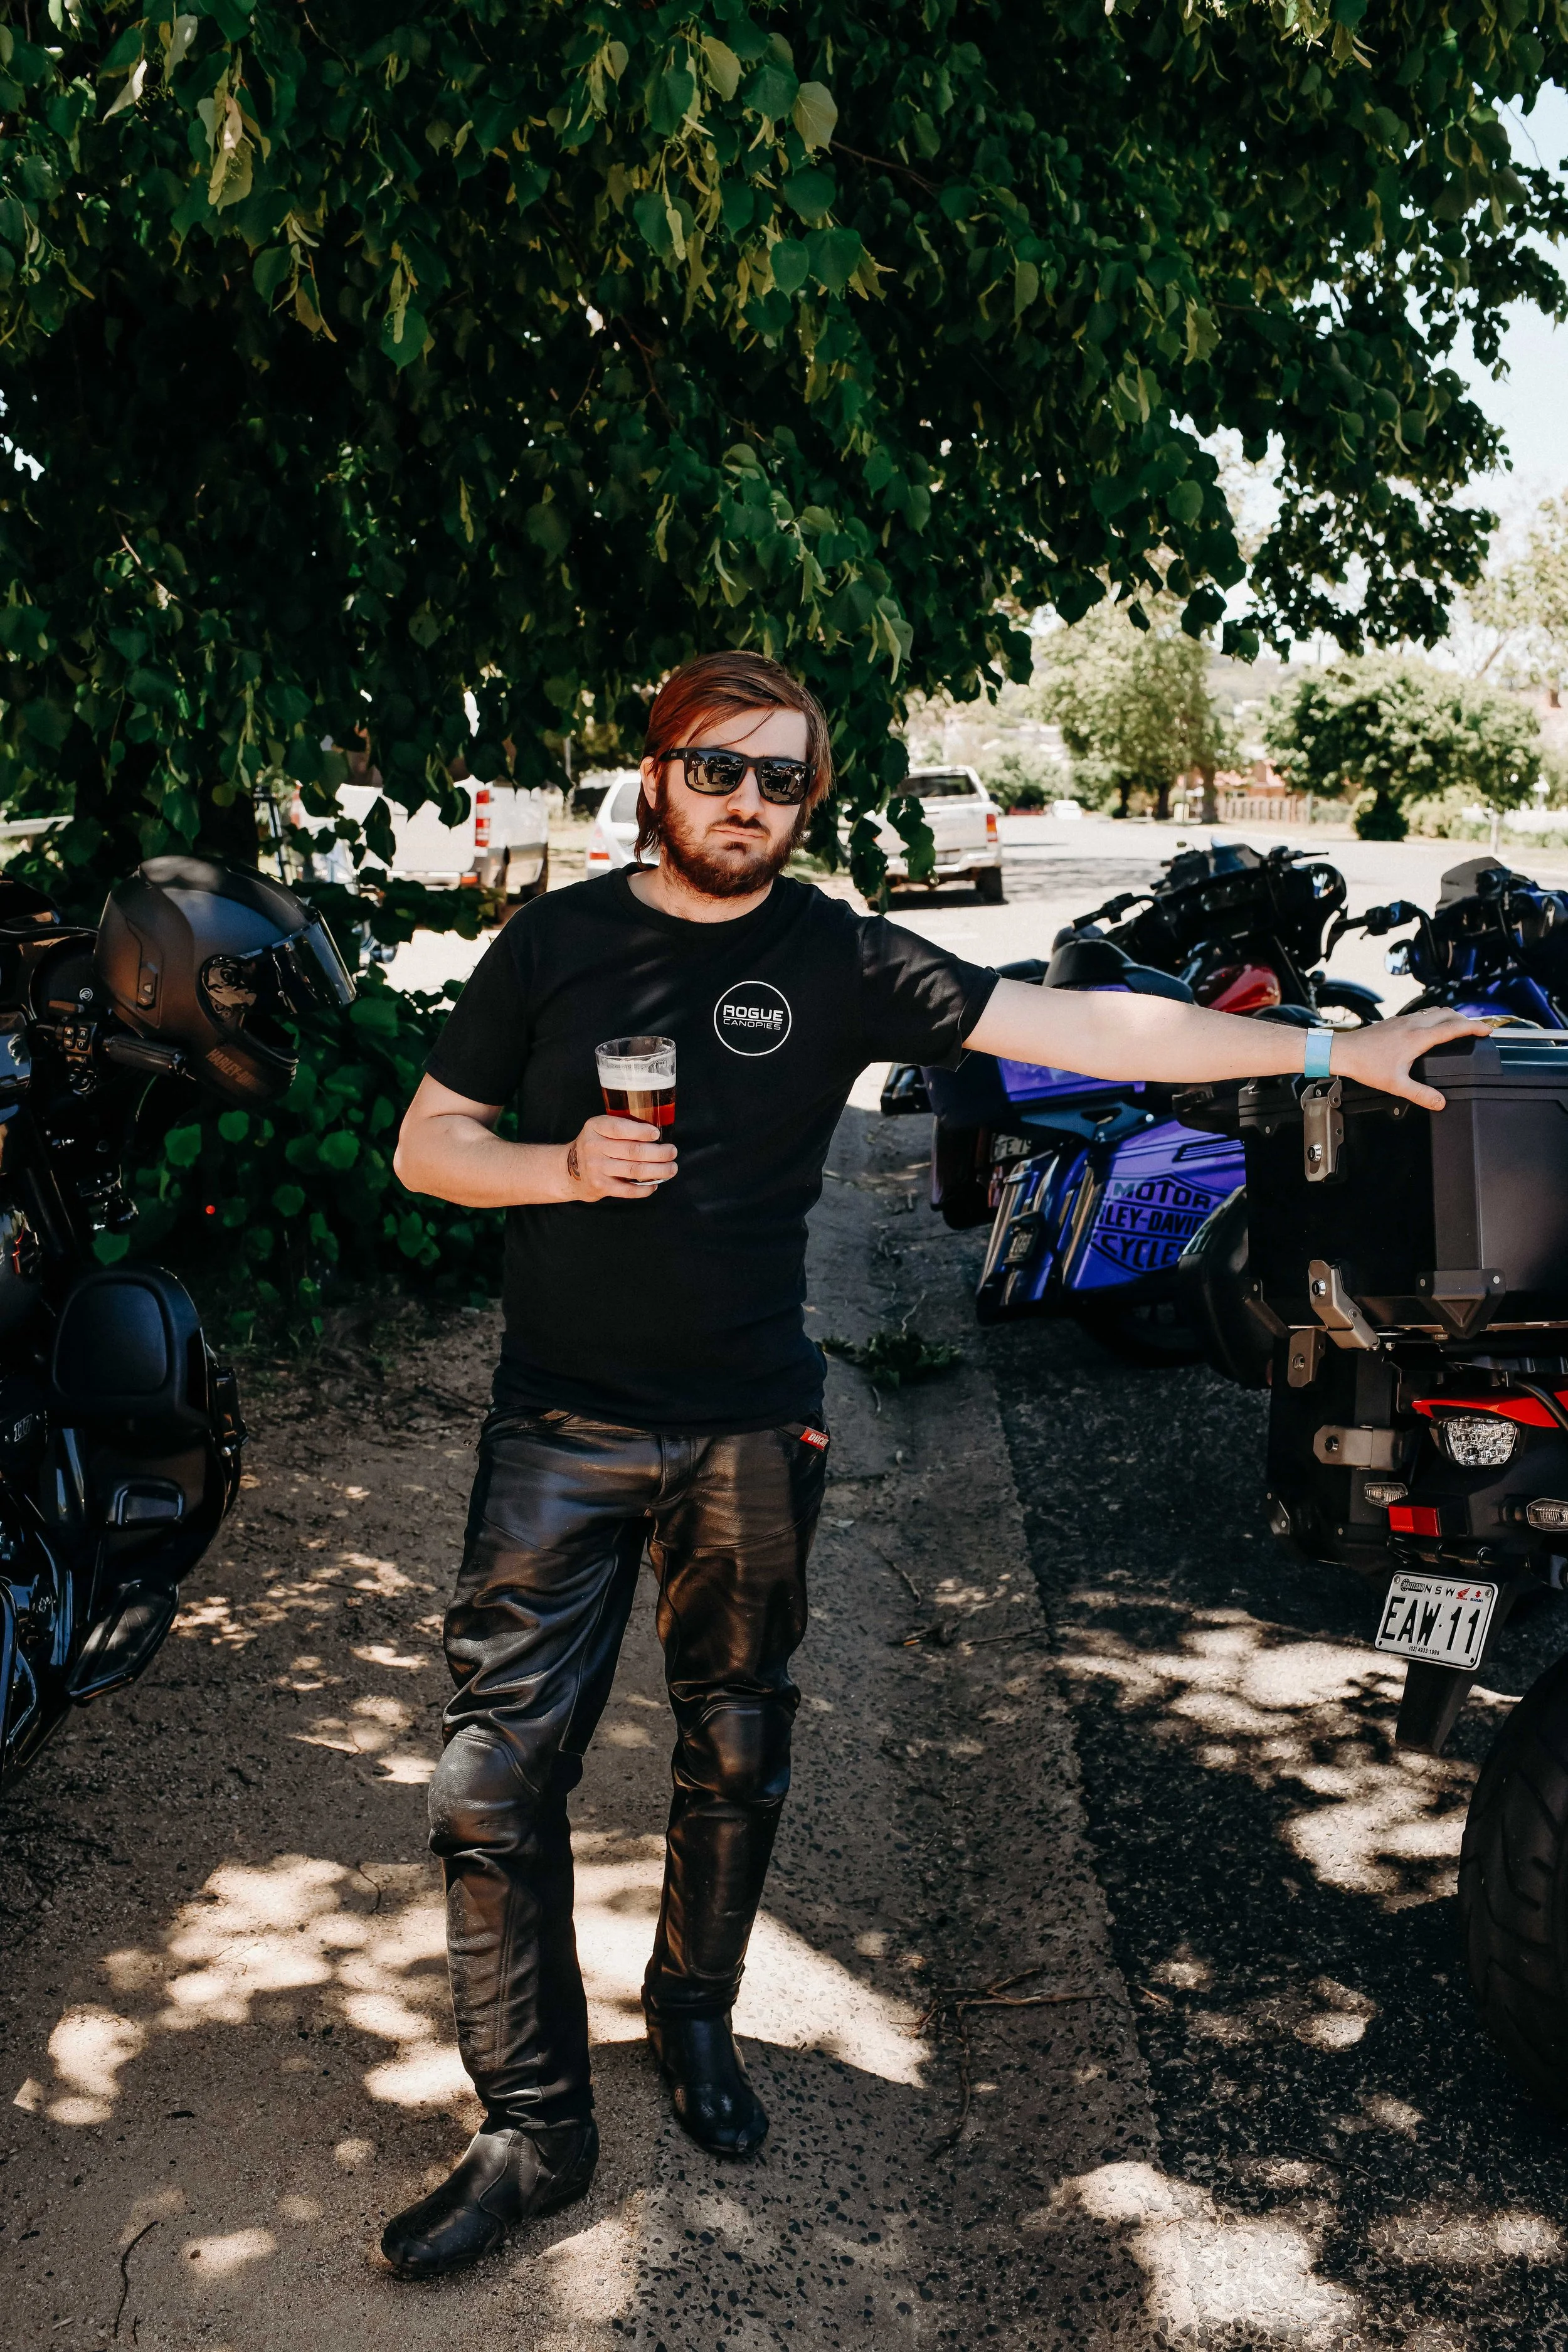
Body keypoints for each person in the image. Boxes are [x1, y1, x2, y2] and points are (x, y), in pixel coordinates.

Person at [384, 650, 1484, 2279]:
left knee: (735, 1743)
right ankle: (534, 2125)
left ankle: (693, 2012)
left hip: (752, 1425)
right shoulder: (550, 942)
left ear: (808, 802)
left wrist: (1329, 1052)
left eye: (781, 779)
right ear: (656, 771)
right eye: (717, 767)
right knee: (491, 1782)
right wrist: (558, 1167)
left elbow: (1083, 1023)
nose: (747, 803)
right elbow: (427, 1145)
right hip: (559, 1425)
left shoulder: (832, 951)